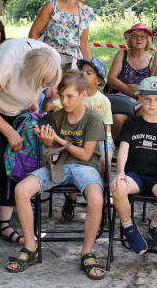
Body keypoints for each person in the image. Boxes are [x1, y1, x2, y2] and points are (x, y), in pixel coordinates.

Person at [8, 70, 107, 280]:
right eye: (61, 96)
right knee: (21, 190)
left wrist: (61, 141)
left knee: (97, 199)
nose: (64, 101)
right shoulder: (58, 116)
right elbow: (50, 148)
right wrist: (45, 138)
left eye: (70, 96)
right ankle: (30, 247)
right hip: (57, 164)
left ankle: (87, 252)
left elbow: (86, 154)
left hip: (85, 166)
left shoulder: (93, 118)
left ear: (83, 94)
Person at [0, 38, 62, 252]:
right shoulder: (8, 63)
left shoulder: (52, 58)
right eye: (42, 82)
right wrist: (10, 132)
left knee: (15, 158)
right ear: (30, 73)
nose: (45, 86)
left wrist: (34, 99)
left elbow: (42, 85)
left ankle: (4, 222)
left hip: (16, 106)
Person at [112, 76, 157, 256]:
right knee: (118, 187)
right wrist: (120, 172)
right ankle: (129, 227)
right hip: (135, 175)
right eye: (147, 98)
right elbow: (124, 149)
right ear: (140, 98)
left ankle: (156, 227)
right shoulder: (131, 123)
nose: (152, 103)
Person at [42, 58, 114, 222]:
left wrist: (97, 143)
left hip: (100, 140)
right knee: (72, 158)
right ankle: (71, 198)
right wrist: (47, 98)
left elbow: (106, 129)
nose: (84, 75)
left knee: (104, 160)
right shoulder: (69, 97)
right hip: (73, 140)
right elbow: (47, 108)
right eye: (82, 72)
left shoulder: (103, 101)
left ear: (98, 80)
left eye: (89, 73)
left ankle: (99, 195)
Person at [28, 0, 94, 71]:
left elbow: (84, 44)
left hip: (74, 67)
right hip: (50, 64)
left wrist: (90, 70)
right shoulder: (52, 7)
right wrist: (38, 62)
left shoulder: (85, 13)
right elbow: (33, 33)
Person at [106, 23, 157, 139]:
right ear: (130, 39)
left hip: (141, 97)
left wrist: (139, 91)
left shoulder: (152, 60)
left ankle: (134, 149)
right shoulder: (122, 54)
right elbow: (111, 78)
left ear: (147, 40)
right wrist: (128, 89)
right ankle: (118, 149)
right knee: (118, 118)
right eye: (135, 36)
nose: (139, 39)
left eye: (143, 36)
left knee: (143, 117)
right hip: (120, 96)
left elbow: (153, 84)